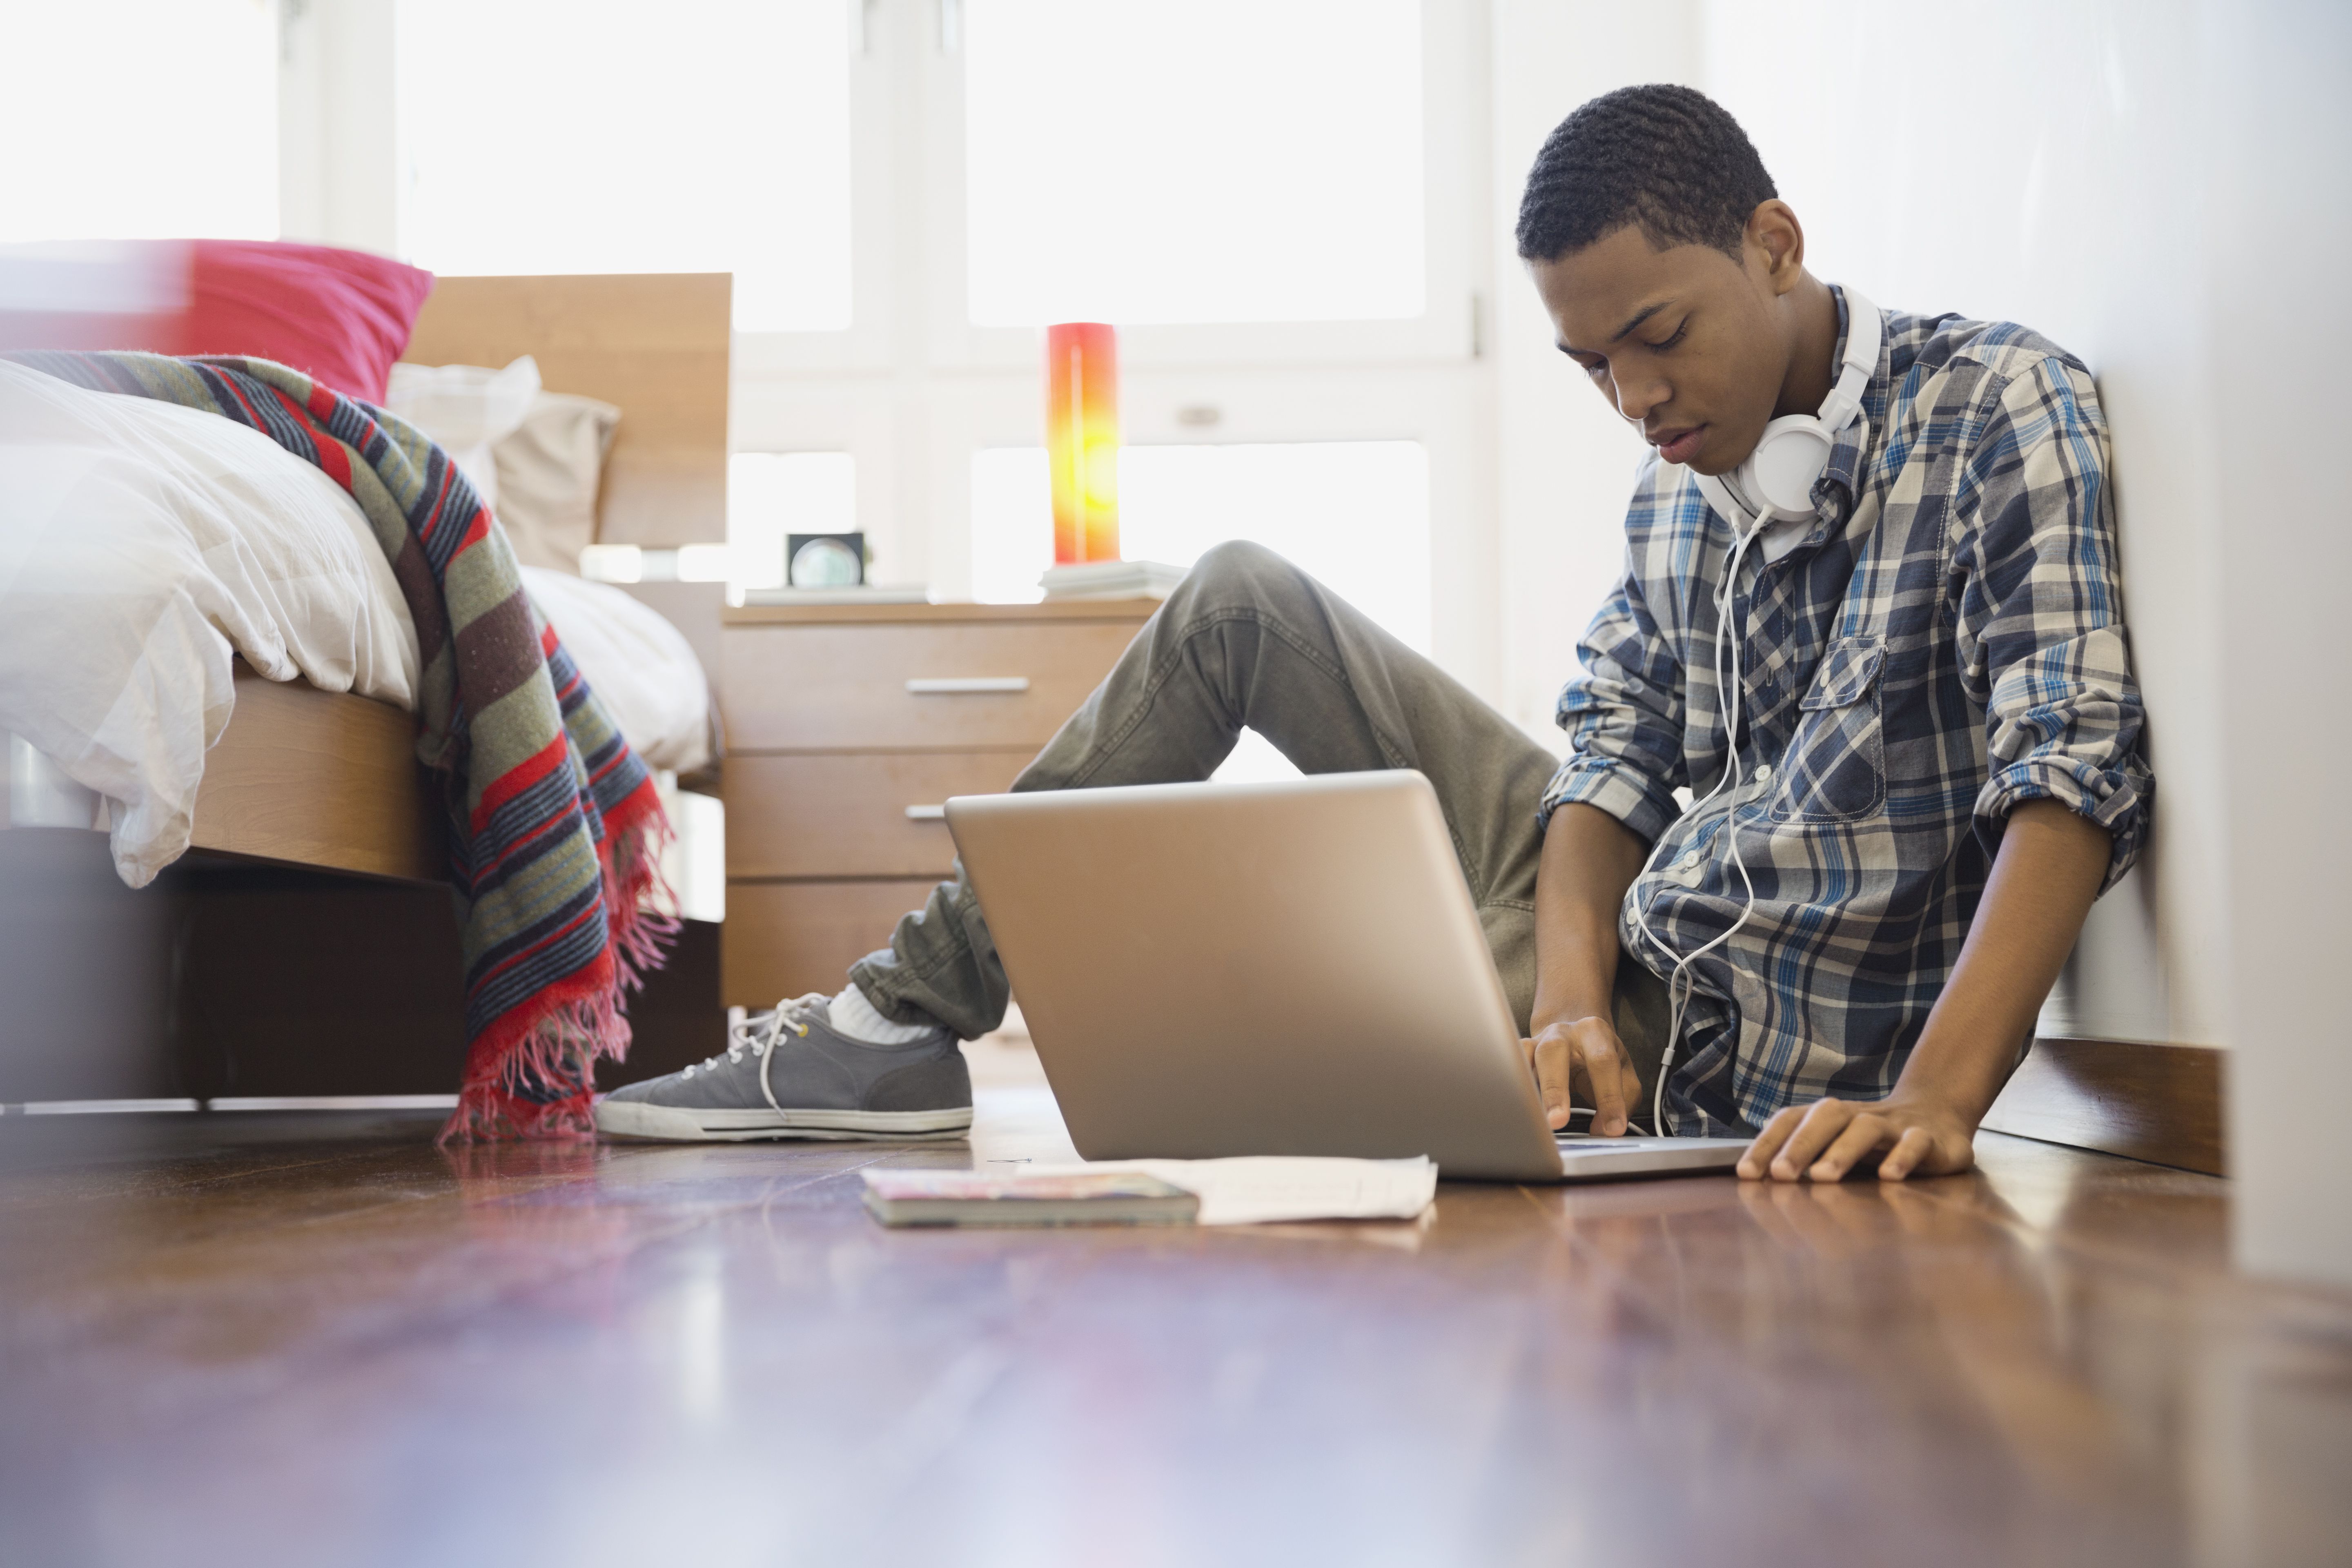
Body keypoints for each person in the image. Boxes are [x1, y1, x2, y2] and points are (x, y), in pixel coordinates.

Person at [599, 84, 2151, 1184]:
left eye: (1658, 338)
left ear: (1774, 240)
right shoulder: (1681, 478)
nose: (1636, 401)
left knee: (1244, 1012)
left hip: (1727, 1049)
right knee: (1236, 597)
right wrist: (1559, 996)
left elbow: (2069, 766)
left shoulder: (2000, 405)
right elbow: (1610, 762)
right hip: (1608, 971)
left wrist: (1947, 1096)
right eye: (1589, 365)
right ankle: (894, 1023)